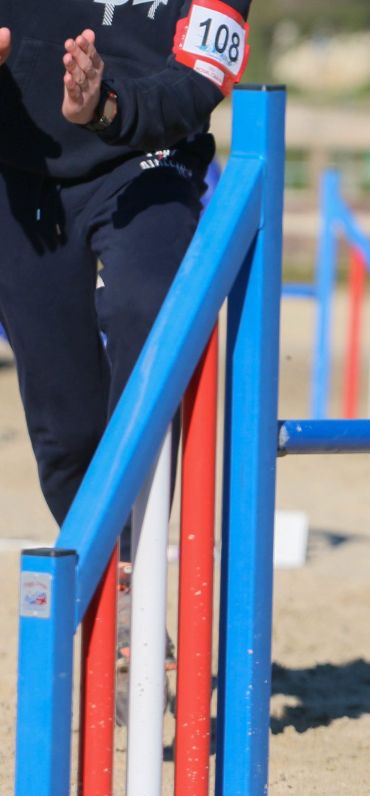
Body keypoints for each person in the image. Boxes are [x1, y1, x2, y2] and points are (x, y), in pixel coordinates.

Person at [0, 0, 251, 717]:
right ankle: (112, 584)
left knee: (147, 302)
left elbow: (199, 81)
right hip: (18, 171)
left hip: (147, 157)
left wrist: (106, 105)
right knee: (66, 431)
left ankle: (132, 578)